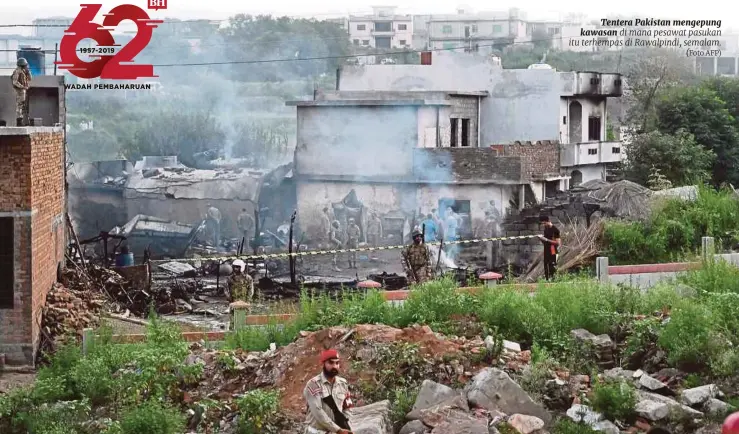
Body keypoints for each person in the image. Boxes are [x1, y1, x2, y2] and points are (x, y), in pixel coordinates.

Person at [303, 349, 354, 434]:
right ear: (323, 364)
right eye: (331, 363)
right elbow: (317, 411)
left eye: (337, 363)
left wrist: (347, 427)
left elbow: (347, 408)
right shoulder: (313, 384)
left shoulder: (343, 384)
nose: (334, 366)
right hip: (316, 431)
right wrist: (338, 430)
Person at [538, 215, 561, 281]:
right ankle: (547, 281)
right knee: (546, 266)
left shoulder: (555, 230)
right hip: (546, 250)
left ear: (548, 221)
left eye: (544, 223)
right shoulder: (546, 229)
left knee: (552, 267)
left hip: (553, 250)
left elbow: (558, 243)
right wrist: (541, 239)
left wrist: (546, 240)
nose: (543, 225)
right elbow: (545, 242)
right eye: (542, 224)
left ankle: (554, 281)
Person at [11, 58, 31, 126]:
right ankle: (19, 121)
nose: (26, 66)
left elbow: (30, 79)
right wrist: (22, 86)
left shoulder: (23, 71)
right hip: (20, 91)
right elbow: (15, 82)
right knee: (20, 106)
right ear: (22, 65)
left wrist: (28, 72)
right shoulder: (17, 71)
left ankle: (23, 121)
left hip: (23, 91)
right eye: (25, 65)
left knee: (23, 106)